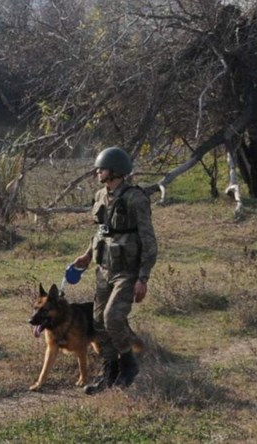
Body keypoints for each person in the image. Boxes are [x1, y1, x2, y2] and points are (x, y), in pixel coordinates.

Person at [70, 146, 157, 394]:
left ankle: (129, 366)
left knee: (113, 318)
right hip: (104, 268)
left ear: (115, 171)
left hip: (127, 272)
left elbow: (149, 240)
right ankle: (110, 372)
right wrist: (87, 255)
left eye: (102, 168)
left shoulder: (135, 199)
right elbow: (102, 231)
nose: (98, 172)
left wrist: (143, 278)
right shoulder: (100, 196)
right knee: (98, 322)